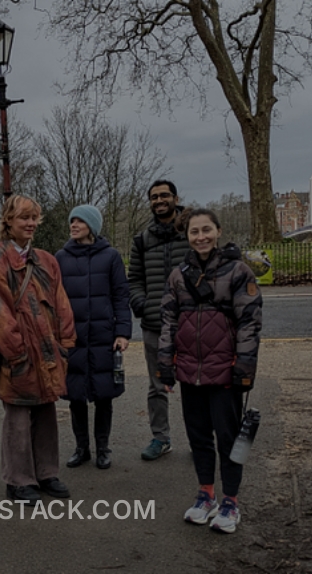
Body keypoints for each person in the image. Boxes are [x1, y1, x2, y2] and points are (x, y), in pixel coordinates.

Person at [158, 208, 262, 534]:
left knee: (228, 440)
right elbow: (168, 322)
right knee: (199, 438)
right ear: (187, 236)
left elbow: (249, 323)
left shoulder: (239, 272)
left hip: (225, 371)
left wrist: (244, 366)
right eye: (194, 231)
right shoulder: (178, 276)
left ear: (218, 231)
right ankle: (206, 494)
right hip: (190, 372)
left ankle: (231, 501)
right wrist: (165, 364)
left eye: (206, 230)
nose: (200, 237)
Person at [0, 195, 76, 506]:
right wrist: (16, 353)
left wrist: (65, 344)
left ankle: (46, 473)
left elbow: (61, 304)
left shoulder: (46, 260)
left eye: (34, 218)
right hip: (17, 354)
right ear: (8, 221)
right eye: (24, 218)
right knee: (17, 418)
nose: (31, 223)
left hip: (48, 352)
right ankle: (18, 481)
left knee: (45, 413)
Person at [55, 205, 131, 470]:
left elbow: (121, 296)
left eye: (80, 221)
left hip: (103, 336)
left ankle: (103, 448)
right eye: (72, 220)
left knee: (103, 394)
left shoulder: (111, 256)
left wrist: (122, 332)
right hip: (72, 337)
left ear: (92, 226)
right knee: (76, 395)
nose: (73, 225)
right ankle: (81, 448)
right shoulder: (61, 258)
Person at [127, 179, 189, 461]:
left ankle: (200, 439)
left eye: (164, 195)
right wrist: (141, 304)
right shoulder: (142, 240)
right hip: (154, 324)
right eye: (154, 197)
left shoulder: (190, 232)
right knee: (157, 385)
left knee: (195, 384)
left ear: (176, 198)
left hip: (189, 323)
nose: (159, 200)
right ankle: (160, 438)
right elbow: (134, 280)